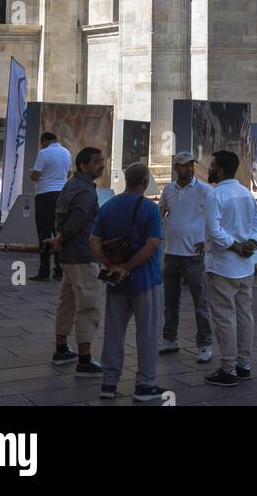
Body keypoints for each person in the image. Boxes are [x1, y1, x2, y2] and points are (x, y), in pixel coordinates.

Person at [91, 161, 165, 402]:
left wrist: (112, 266)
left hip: (117, 283)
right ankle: (145, 384)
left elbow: (94, 241)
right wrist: (128, 267)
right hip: (146, 280)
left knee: (113, 332)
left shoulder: (109, 206)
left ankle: (109, 383)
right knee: (148, 333)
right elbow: (152, 245)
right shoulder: (150, 209)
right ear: (145, 182)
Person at [203, 149, 257, 388]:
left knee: (224, 319)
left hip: (222, 266)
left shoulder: (215, 195)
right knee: (244, 316)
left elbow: (213, 230)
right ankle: (244, 365)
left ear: (219, 170)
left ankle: (228, 368)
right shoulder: (245, 193)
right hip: (245, 267)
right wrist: (253, 242)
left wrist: (236, 246)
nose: (208, 169)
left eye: (211, 165)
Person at [46, 146, 105, 375]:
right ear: (83, 165)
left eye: (101, 160)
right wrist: (61, 239)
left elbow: (61, 215)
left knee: (67, 303)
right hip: (82, 254)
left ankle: (61, 349)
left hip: (69, 257)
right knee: (88, 307)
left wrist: (60, 240)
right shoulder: (86, 191)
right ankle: (84, 359)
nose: (100, 164)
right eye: (96, 161)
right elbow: (78, 220)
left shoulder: (71, 185)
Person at [158, 151, 213, 362]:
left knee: (200, 302)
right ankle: (169, 339)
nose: (189, 169)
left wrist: (207, 241)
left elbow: (213, 217)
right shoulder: (169, 189)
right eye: (184, 165)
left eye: (191, 165)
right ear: (176, 168)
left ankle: (204, 343)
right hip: (171, 253)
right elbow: (161, 211)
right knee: (170, 301)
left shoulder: (205, 191)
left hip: (193, 255)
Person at [29, 131, 72, 281]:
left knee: (44, 233)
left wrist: (32, 174)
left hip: (45, 195)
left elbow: (35, 175)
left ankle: (44, 270)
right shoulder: (67, 152)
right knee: (59, 232)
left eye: (42, 142)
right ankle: (59, 270)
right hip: (62, 194)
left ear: (45, 140)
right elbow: (69, 173)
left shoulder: (44, 153)